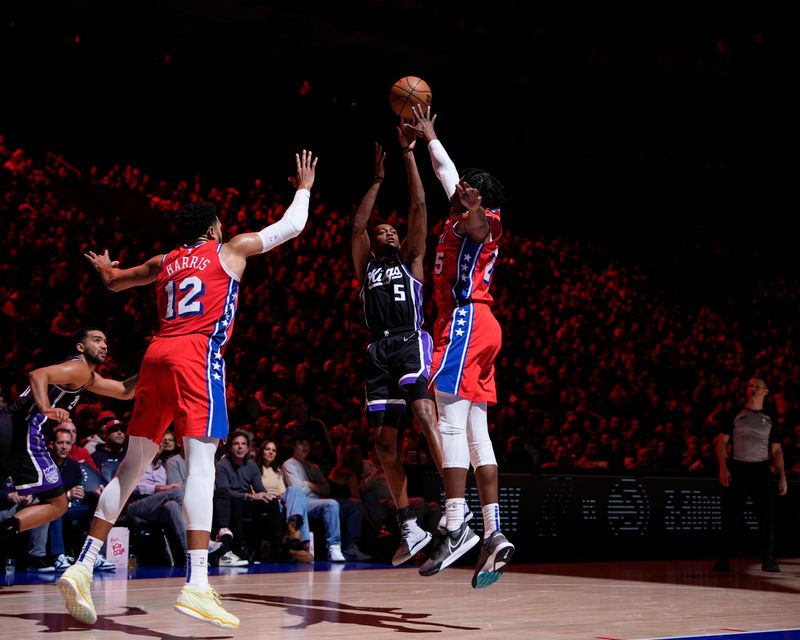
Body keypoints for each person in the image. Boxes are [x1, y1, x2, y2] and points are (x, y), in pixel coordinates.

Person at [57, 150, 318, 629]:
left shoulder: (165, 261)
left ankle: (83, 564)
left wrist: (104, 268)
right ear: (215, 229)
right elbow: (291, 227)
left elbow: (115, 283)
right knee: (203, 466)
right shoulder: (229, 250)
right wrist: (303, 187)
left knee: (132, 468)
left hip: (155, 355)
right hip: (197, 355)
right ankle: (198, 582)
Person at [407, 105, 514, 588]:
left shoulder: (483, 220)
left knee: (448, 420)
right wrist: (430, 136)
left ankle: (455, 524)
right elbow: (445, 172)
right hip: (481, 323)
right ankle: (493, 531)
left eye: (468, 191)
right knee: (476, 431)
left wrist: (472, 207)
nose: (458, 191)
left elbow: (480, 227)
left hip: (468, 320)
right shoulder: (463, 210)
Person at [350, 128, 443, 565]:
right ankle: (409, 525)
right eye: (381, 230)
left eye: (391, 230)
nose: (386, 232)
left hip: (409, 339)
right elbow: (356, 226)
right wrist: (375, 180)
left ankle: (456, 512)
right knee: (383, 446)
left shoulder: (412, 260)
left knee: (425, 413)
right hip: (377, 351)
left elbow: (421, 205)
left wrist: (408, 155)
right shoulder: (366, 267)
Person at [0, 329, 136, 545]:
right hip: (23, 433)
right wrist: (46, 407)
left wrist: (152, 370)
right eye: (97, 340)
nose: (104, 345)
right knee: (57, 504)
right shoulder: (78, 368)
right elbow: (37, 374)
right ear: (80, 347)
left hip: (8, 427)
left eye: (106, 342)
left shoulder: (87, 376)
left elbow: (123, 391)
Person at [715, 377, 788, 573]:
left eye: (757, 386)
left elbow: (777, 450)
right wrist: (723, 467)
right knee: (730, 516)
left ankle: (768, 559)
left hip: (761, 470)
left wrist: (782, 476)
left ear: (766, 392)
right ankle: (723, 559)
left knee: (766, 517)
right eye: (750, 386)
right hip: (738, 468)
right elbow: (722, 442)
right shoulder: (734, 412)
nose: (752, 388)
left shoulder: (771, 417)